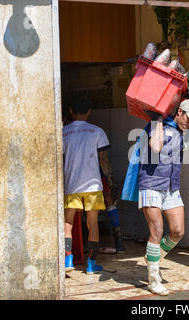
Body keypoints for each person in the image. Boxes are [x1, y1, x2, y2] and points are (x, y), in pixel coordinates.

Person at [139, 88, 189, 295]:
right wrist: (159, 119)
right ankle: (153, 279)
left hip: (171, 187)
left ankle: (153, 256)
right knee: (157, 230)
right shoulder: (156, 125)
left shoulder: (185, 132)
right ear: (179, 112)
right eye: (187, 119)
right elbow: (156, 147)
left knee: (178, 231)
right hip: (151, 184)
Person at [63, 96, 112, 274]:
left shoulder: (63, 132)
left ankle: (68, 260)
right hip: (93, 186)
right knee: (93, 223)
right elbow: (104, 160)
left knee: (67, 222)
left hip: (71, 184)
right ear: (89, 111)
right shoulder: (97, 131)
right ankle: (91, 264)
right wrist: (109, 178)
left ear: (70, 111)